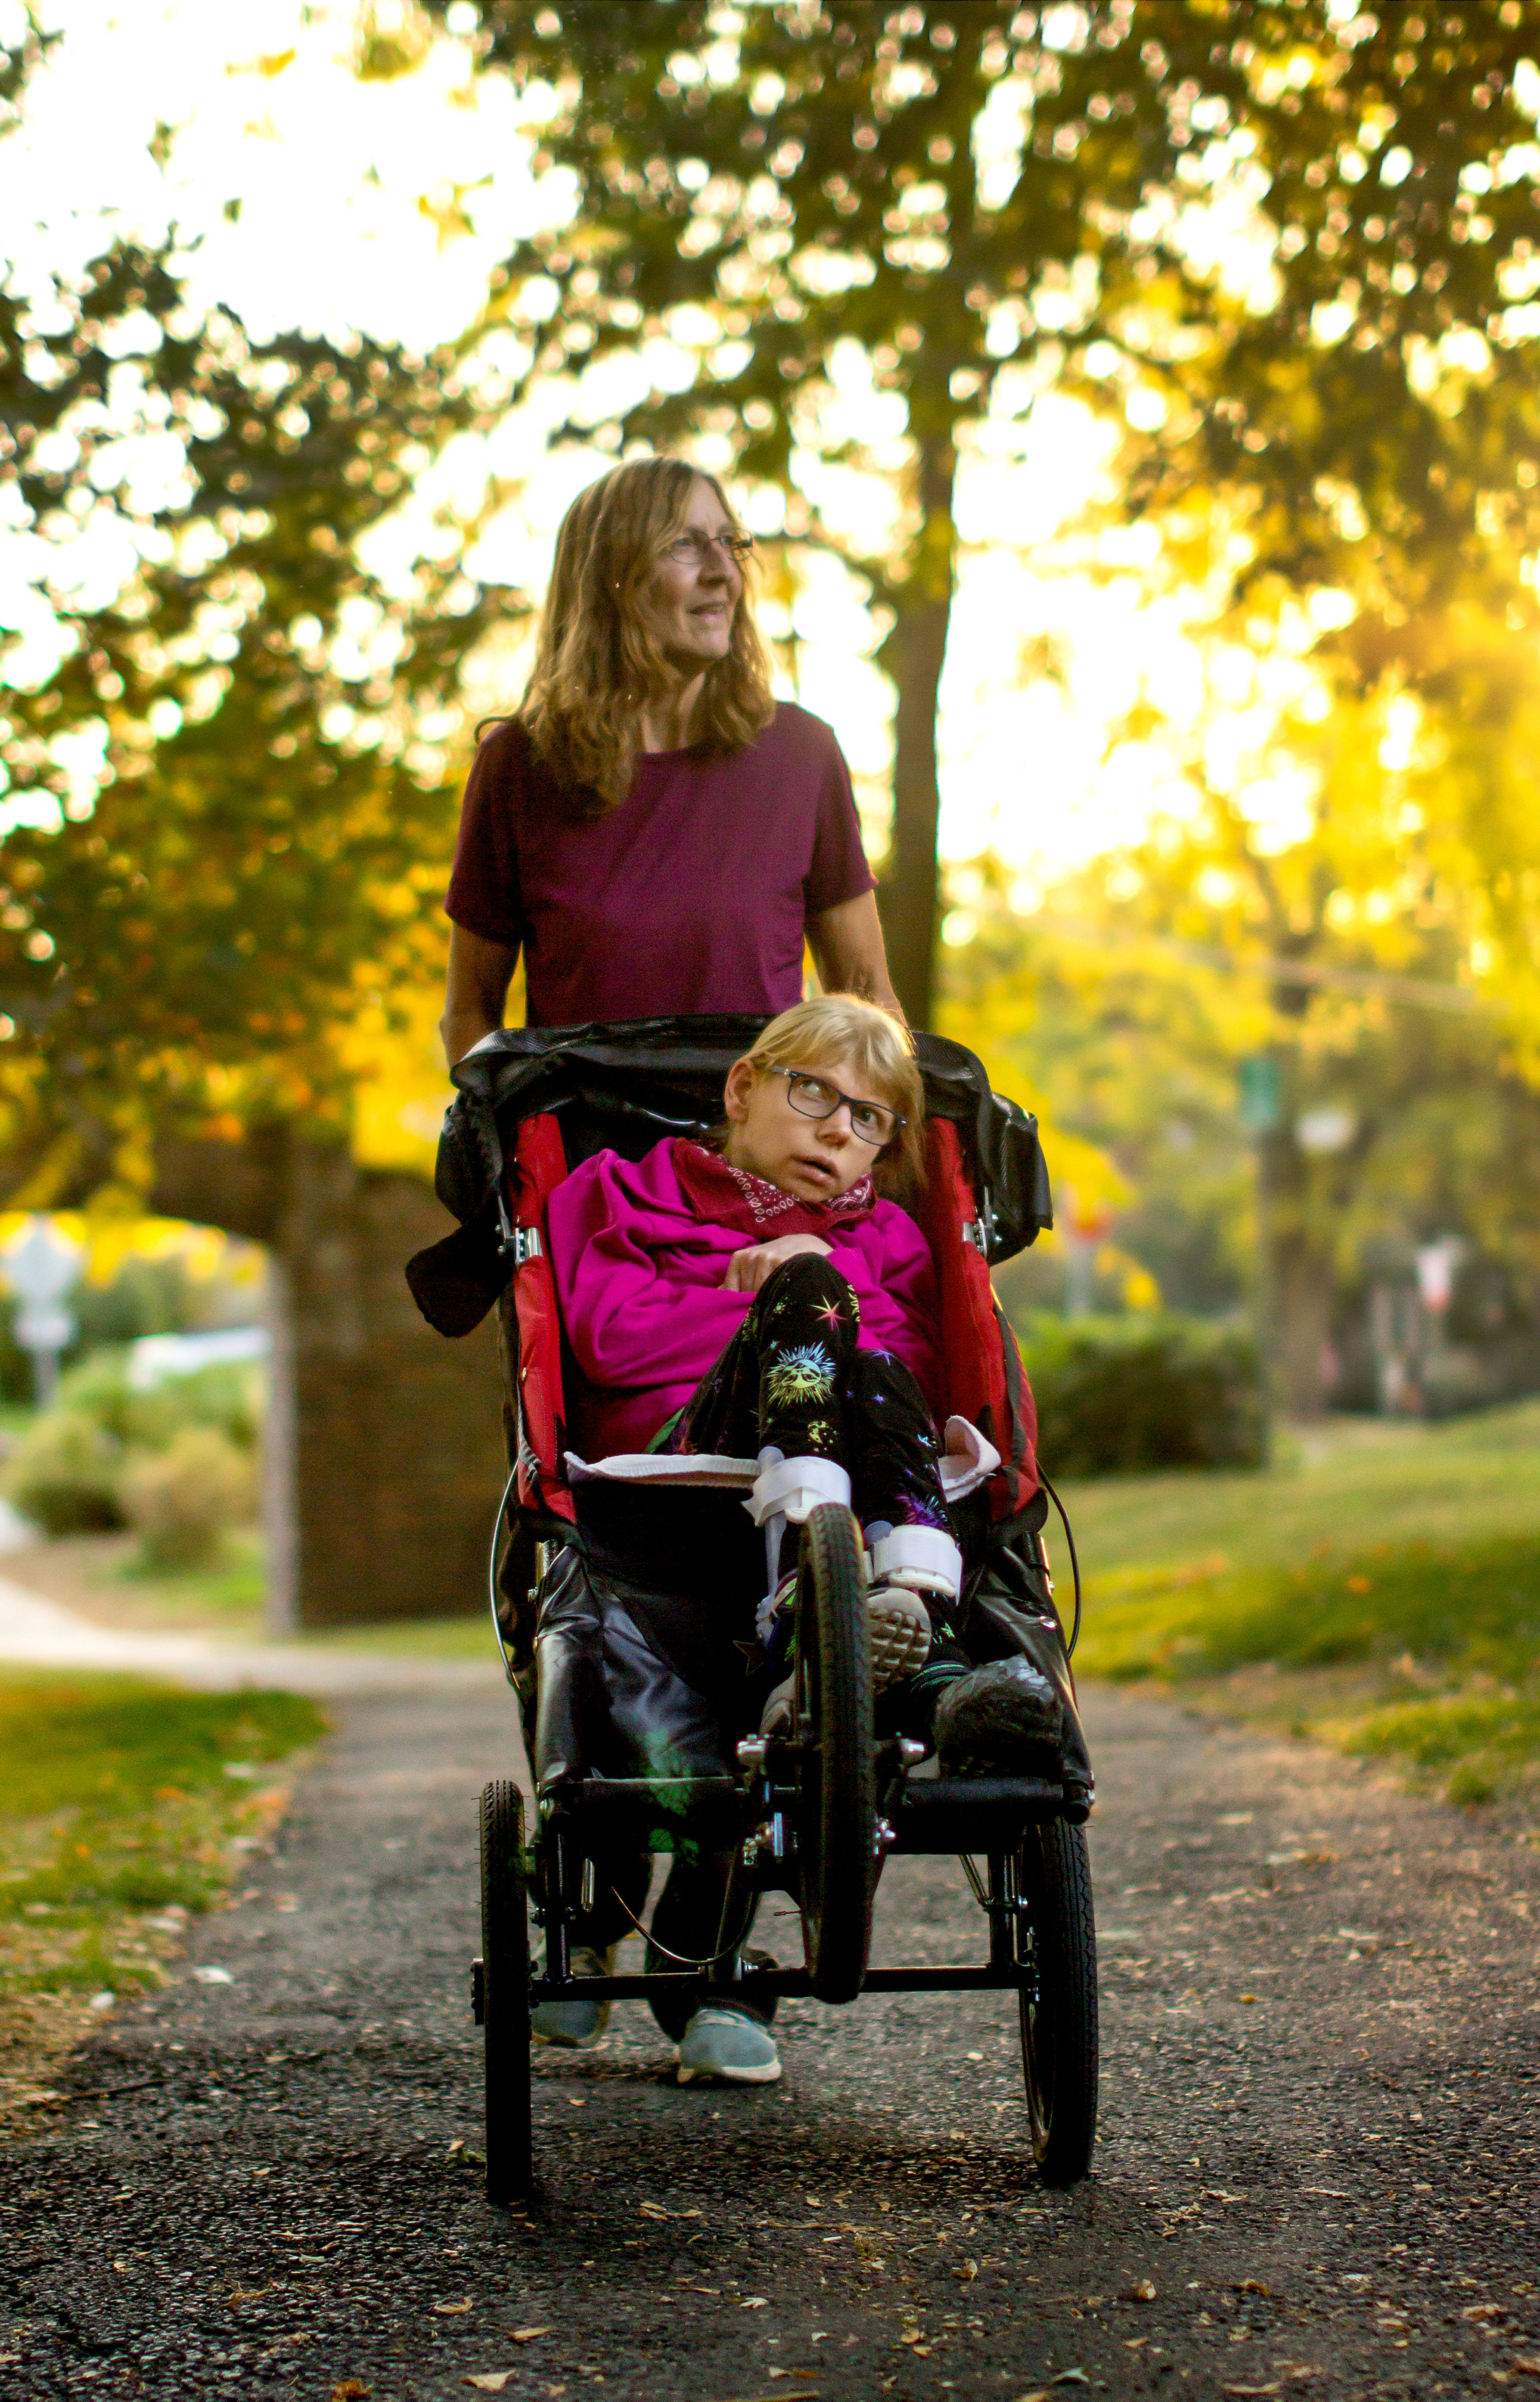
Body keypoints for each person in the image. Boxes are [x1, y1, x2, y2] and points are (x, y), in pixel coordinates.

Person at [535, 996, 1061, 2086]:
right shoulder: (618, 1192)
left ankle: (908, 1632)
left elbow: (919, 1371)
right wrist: (766, 1296)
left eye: (871, 1119)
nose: (838, 1131)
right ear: (742, 1088)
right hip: (684, 1469)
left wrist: (814, 1301)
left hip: (857, 1496)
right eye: (813, 1093)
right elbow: (609, 1338)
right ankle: (861, 1631)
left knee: (848, 1332)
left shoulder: (895, 1235)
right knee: (821, 1300)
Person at [440, 455, 900, 1065]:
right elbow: (470, 1013)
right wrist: (512, 1142)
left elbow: (868, 1003)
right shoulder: (520, 767)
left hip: (753, 1158)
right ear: (609, 578)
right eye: (684, 544)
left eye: (729, 542)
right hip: (583, 1160)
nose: (722, 572)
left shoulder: (802, 755)